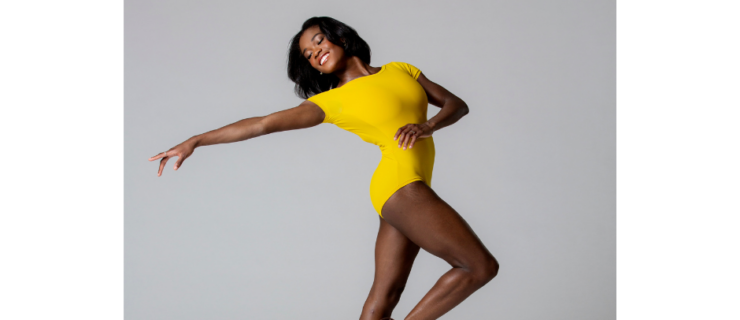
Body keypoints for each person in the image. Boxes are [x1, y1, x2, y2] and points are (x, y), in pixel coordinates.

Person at [148, 16, 499, 320]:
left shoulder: (400, 70)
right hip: (400, 187)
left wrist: (429, 126)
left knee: (383, 300)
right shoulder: (332, 101)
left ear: (341, 38)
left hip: (403, 190)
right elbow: (264, 123)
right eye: (309, 54)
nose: (316, 52)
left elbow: (457, 104)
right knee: (479, 266)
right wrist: (196, 139)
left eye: (318, 41)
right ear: (313, 67)